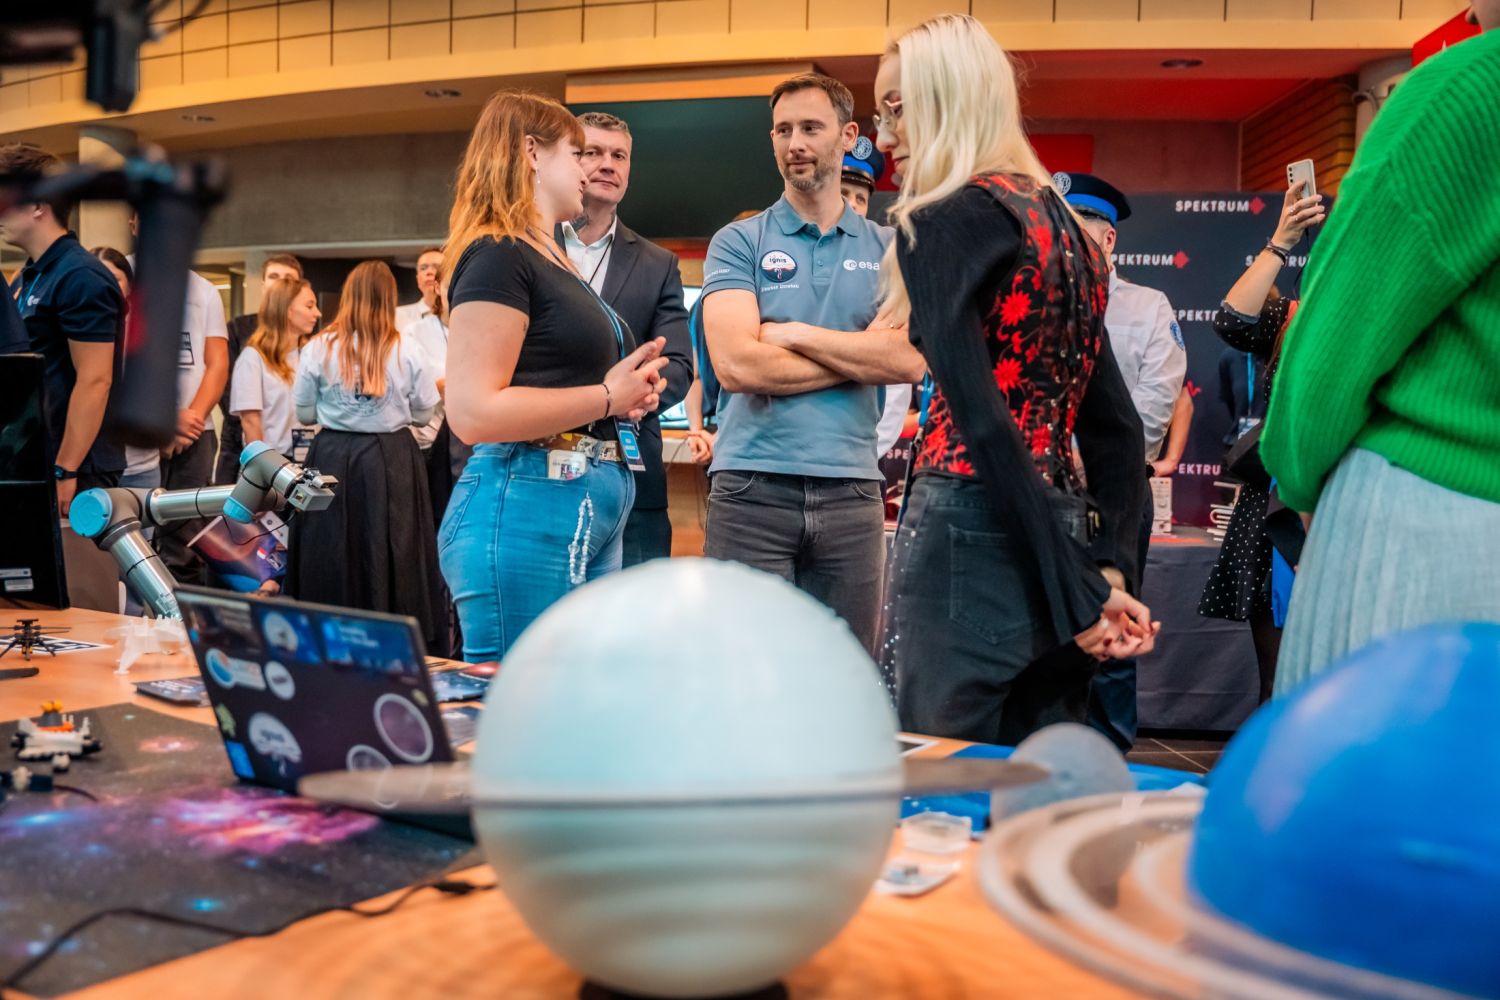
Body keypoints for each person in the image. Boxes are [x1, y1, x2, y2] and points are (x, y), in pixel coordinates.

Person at [872, 15, 1157, 745]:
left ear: (946, 96)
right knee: (1034, 781)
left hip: (967, 529)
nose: (883, 136)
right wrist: (1107, 577)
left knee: (934, 775)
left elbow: (983, 423)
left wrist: (1081, 591)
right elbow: (1119, 433)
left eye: (895, 107)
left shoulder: (940, 218)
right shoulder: (1065, 226)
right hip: (1059, 526)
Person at [1262, 13, 1500, 693]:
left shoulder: (1469, 89)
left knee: (1370, 756)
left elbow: (1331, 351)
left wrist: (1300, 480)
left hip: (1434, 523)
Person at [439, 91, 670, 662]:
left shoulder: (544, 254)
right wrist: (607, 396)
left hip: (578, 501)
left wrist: (626, 393)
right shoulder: (498, 253)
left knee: (571, 697)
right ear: (531, 153)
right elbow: (472, 412)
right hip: (526, 506)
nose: (587, 169)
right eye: (576, 152)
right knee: (523, 701)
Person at [701, 73, 925, 653]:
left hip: (852, 490)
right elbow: (738, 367)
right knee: (745, 671)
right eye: (783, 130)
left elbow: (906, 360)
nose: (795, 143)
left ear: (848, 136)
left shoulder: (889, 248)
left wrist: (794, 334)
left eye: (810, 128)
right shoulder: (738, 241)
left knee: (846, 674)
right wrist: (861, 356)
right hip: (749, 488)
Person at [1060, 172, 1186, 751]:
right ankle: (1040, 749)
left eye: (1077, 230)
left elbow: (1158, 400)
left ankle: (1108, 754)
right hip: (1047, 486)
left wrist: (1099, 459)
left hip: (1116, 493)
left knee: (1114, 622)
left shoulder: (1147, 306)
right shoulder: (1038, 296)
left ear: (1108, 239)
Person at [1197, 181, 1324, 703]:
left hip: (1349, 502)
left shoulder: (1391, 327)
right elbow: (1231, 320)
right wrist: (1281, 242)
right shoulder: (1291, 318)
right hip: (1277, 508)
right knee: (1278, 682)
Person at [287, 261, 445, 649]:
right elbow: (425, 412)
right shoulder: (408, 348)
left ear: (348, 296)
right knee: (395, 548)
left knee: (327, 548)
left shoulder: (318, 347)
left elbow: (304, 413)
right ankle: (393, 642)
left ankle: (325, 640)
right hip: (392, 459)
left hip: (331, 455)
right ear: (388, 299)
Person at [558, 111, 693, 566]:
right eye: (593, 152)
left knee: (638, 608)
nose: (608, 164)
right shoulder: (530, 245)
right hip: (542, 467)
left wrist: (642, 393)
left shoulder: (658, 264)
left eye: (619, 156)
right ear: (570, 160)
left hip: (632, 474)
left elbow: (679, 363)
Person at [0, 143, 125, 514]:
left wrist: (65, 468)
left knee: (76, 557)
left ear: (38, 205)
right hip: (37, 456)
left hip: (77, 468)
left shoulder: (81, 275)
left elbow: (95, 379)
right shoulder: (28, 276)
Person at [124, 213, 229, 583]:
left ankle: (181, 618)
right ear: (134, 225)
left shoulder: (204, 290)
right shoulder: (118, 277)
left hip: (195, 434)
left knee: (185, 543)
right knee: (133, 537)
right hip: (135, 433)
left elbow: (217, 363)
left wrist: (191, 419)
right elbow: (113, 361)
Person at [218, 253, 303, 484]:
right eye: (274, 277)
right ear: (264, 285)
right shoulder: (239, 328)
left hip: (291, 446)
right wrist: (250, 424)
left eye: (288, 279)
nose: (280, 283)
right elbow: (225, 384)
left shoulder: (304, 337)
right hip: (237, 437)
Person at [230, 277, 322, 459]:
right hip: (273, 462)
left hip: (310, 459)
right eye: (309, 306)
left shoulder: (311, 355)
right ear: (287, 310)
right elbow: (250, 422)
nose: (317, 313)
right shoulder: (253, 359)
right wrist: (265, 466)